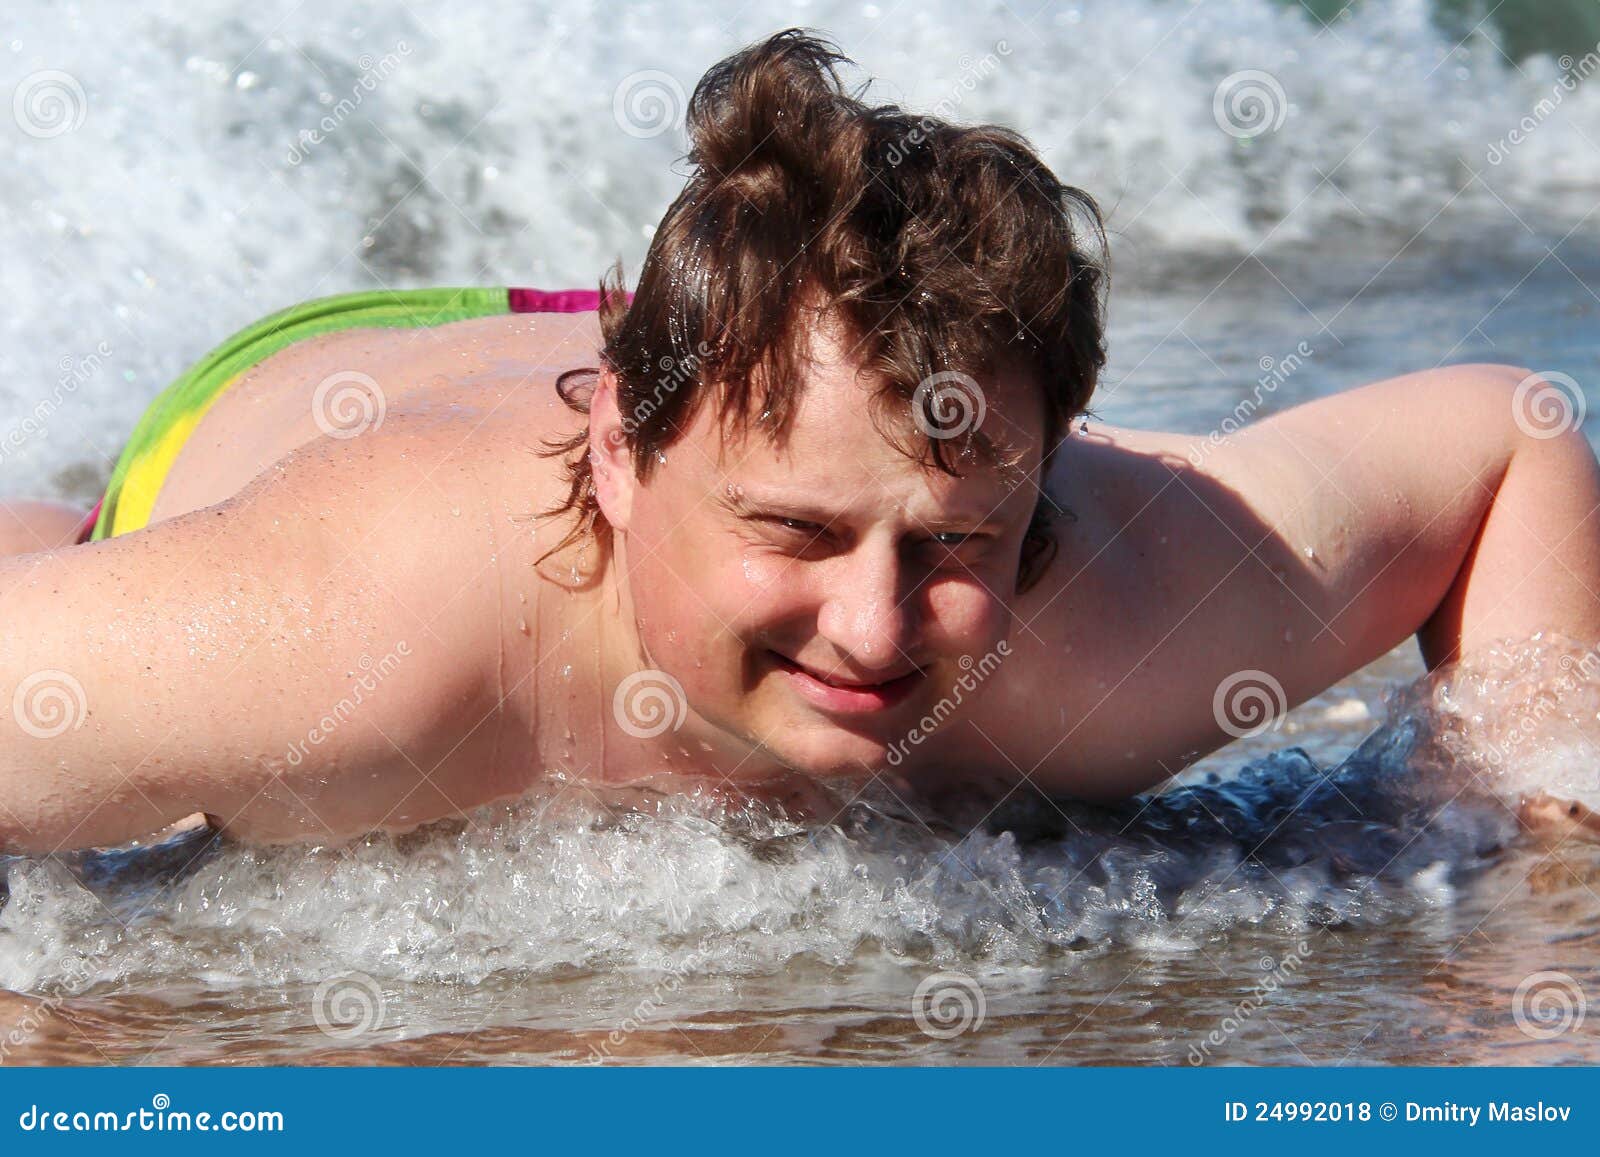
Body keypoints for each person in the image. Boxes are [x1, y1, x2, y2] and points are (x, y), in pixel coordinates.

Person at [3, 29, 1598, 857]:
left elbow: (1507, 439)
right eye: (799, 536)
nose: (879, 629)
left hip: (697, 336)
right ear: (618, 467)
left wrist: (1510, 845)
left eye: (958, 544)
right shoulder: (345, 634)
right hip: (301, 400)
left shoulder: (1117, 607)